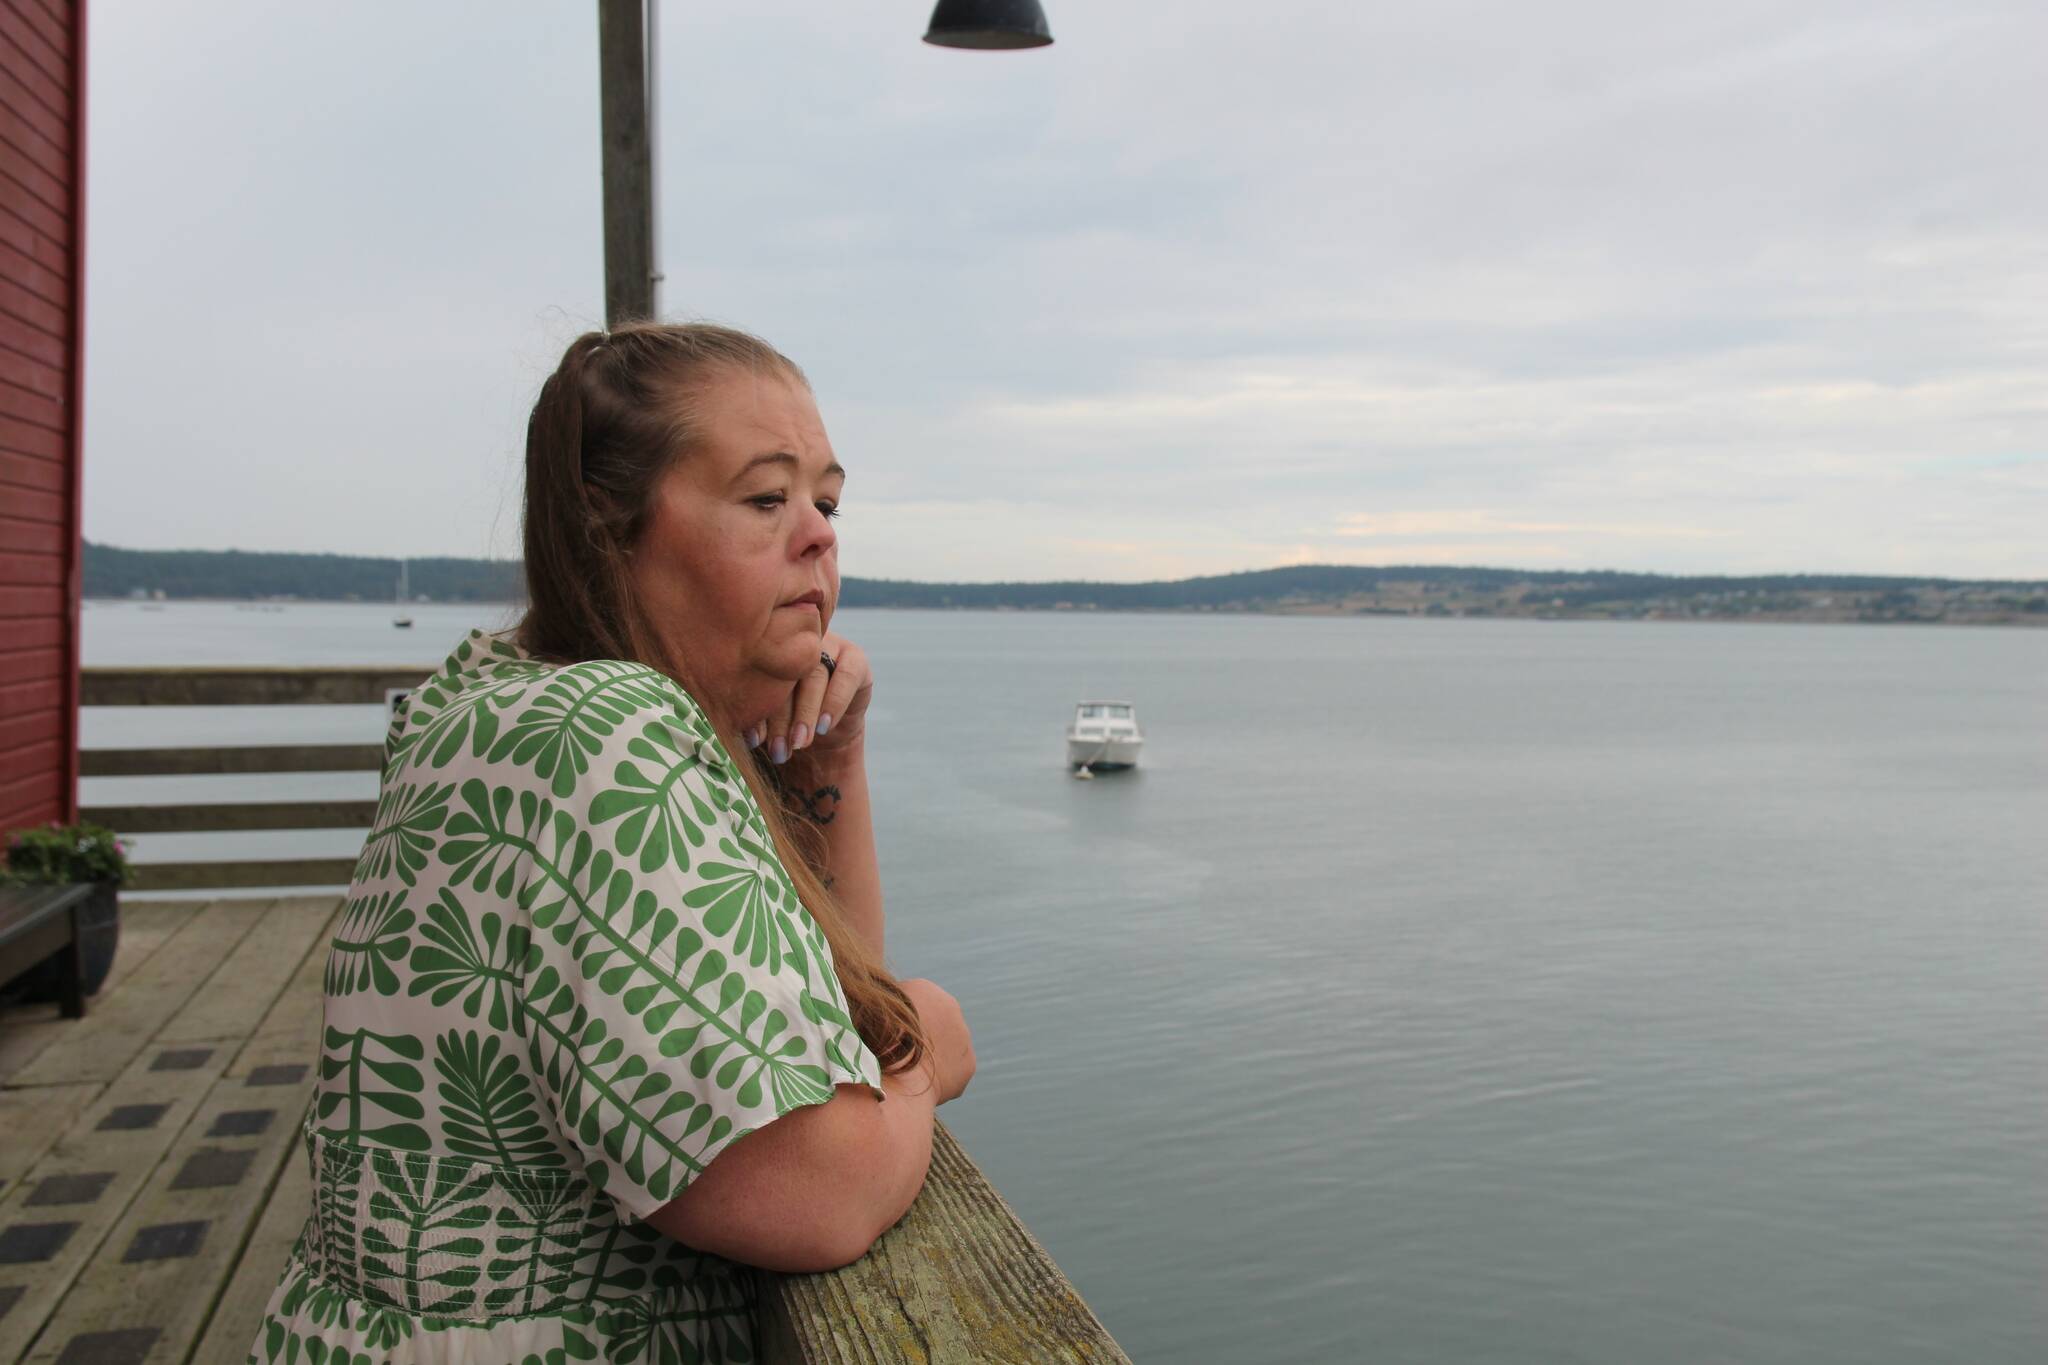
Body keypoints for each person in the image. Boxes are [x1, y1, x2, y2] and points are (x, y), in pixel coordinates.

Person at [251, 323, 976, 1363]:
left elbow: (827, 1032)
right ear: (606, 527)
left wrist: (828, 772)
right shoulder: (602, 729)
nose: (817, 533)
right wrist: (924, 1050)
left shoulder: (502, 702)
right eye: (766, 498)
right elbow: (811, 1188)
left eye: (827, 500)